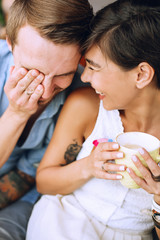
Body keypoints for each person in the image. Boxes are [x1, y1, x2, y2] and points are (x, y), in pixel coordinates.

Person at [26, 0, 160, 239]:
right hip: (64, 221)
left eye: (94, 67)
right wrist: (87, 166)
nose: (85, 77)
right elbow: (44, 183)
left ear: (141, 74)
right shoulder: (86, 107)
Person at [0, 0, 93, 239]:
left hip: (26, 197)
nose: (46, 90)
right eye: (34, 72)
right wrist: (16, 114)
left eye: (63, 75)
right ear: (9, 43)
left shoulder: (83, 94)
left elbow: (26, 176)